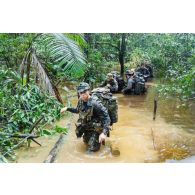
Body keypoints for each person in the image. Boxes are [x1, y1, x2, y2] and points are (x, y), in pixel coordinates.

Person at [60, 82, 111, 152]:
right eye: (80, 93)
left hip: (96, 129)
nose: (83, 94)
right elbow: (77, 110)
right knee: (86, 143)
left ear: (89, 91)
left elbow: (106, 117)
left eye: (84, 92)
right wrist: (67, 108)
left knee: (91, 150)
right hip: (87, 127)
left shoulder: (95, 103)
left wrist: (104, 133)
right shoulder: (80, 101)